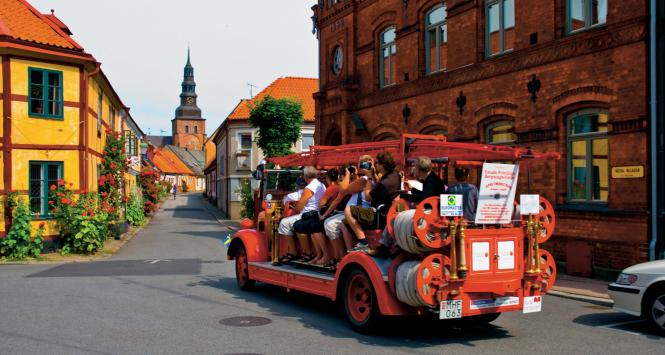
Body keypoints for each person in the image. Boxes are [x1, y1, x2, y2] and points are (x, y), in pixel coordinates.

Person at [345, 152, 401, 252]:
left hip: (378, 215)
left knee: (348, 210)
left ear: (382, 165)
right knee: (344, 222)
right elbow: (379, 189)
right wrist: (373, 176)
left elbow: (367, 197)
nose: (375, 165)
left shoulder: (384, 183)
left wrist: (369, 177)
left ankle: (363, 242)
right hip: (387, 213)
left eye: (377, 163)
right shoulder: (395, 175)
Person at [277, 166, 326, 263]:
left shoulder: (309, 188)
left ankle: (295, 252)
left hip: (308, 213)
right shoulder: (321, 185)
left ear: (305, 176)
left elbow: (299, 207)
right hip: (317, 212)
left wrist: (287, 214)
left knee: (284, 223)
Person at [308, 168, 341, 266]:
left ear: (328, 178)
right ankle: (320, 255)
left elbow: (321, 204)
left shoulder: (331, 188)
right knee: (313, 226)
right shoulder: (339, 186)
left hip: (331, 213)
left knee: (313, 226)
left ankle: (325, 255)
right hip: (335, 212)